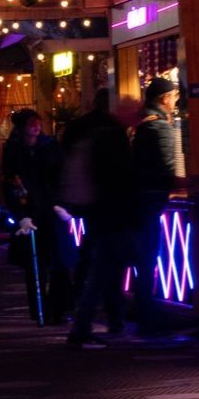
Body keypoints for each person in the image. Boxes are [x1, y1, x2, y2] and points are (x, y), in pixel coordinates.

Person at [66, 91, 141, 347]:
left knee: (106, 268)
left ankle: (105, 319)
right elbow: (121, 177)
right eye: (133, 109)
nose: (137, 115)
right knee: (105, 269)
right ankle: (86, 324)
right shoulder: (114, 135)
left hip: (99, 212)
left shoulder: (94, 131)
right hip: (113, 214)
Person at [129, 77, 183, 338]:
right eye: (174, 96)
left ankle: (142, 311)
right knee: (147, 257)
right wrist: (185, 184)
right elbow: (166, 168)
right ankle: (147, 315)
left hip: (140, 198)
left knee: (141, 258)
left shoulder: (142, 125)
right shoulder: (160, 127)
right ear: (164, 98)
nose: (176, 101)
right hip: (151, 200)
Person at [3, 109, 63, 320]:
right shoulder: (14, 149)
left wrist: (60, 202)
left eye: (38, 122)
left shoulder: (50, 146)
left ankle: (57, 307)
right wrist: (20, 211)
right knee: (34, 264)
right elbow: (10, 180)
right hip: (28, 209)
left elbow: (58, 175)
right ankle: (39, 308)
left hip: (50, 208)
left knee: (56, 261)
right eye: (31, 123)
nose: (36, 127)